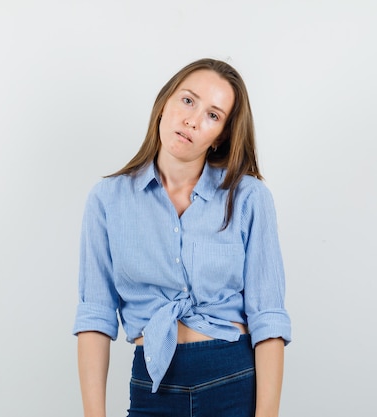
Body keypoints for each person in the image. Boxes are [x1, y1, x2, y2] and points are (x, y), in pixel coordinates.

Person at [73, 58, 291, 417]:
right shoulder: (107, 199)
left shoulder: (250, 198)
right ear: (165, 103)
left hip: (232, 380)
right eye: (188, 101)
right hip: (152, 388)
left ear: (220, 135)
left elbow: (268, 318)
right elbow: (95, 317)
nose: (192, 119)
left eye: (213, 115)